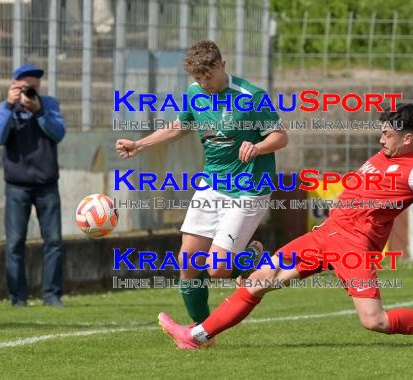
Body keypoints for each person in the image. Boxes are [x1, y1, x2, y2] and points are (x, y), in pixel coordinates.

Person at [158, 103, 413, 349]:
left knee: (375, 321)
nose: (380, 139)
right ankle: (196, 335)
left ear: (405, 138)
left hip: (355, 248)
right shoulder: (400, 152)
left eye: (386, 134)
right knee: (260, 280)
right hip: (326, 234)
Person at [116, 40, 288, 327]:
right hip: (211, 185)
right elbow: (180, 126)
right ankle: (201, 333)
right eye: (198, 78)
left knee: (217, 270)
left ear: (222, 65)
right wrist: (140, 144)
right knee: (188, 265)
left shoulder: (251, 96)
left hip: (248, 189)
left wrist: (258, 148)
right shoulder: (194, 93)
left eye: (208, 75)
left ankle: (252, 257)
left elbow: (280, 136)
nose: (204, 83)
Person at [0, 64, 66, 307]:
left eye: (34, 87)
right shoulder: (7, 108)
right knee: (14, 243)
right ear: (14, 87)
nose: (30, 91)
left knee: (53, 241)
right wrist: (9, 105)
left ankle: (52, 295)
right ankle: (17, 298)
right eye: (25, 87)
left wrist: (39, 111)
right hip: (16, 186)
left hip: (47, 184)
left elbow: (58, 133)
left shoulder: (49, 104)